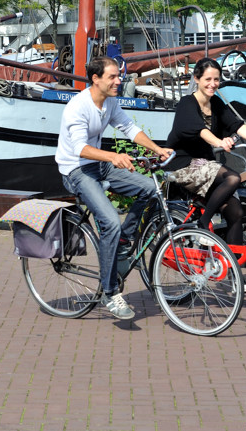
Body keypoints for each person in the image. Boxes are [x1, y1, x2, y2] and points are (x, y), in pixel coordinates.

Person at [56, 55, 172, 320]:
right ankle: (109, 292)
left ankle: (124, 240)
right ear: (95, 79)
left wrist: (157, 149)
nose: (119, 81)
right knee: (109, 220)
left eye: (119, 76)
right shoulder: (77, 107)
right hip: (75, 169)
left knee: (152, 190)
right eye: (112, 76)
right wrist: (112, 157)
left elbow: (129, 128)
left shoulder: (110, 102)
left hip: (99, 164)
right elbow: (79, 149)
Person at [164, 57, 246, 251]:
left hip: (206, 165)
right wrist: (219, 142)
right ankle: (204, 223)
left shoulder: (216, 103)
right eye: (208, 79)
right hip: (183, 164)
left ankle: (233, 269)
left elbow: (237, 125)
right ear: (196, 79)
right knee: (233, 177)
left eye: (216, 79)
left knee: (236, 212)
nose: (213, 84)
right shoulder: (187, 103)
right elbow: (199, 129)